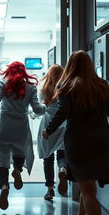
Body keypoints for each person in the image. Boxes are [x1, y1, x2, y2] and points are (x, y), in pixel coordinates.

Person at [42, 50, 109, 215]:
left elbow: (63, 112)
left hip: (78, 141)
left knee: (86, 187)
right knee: (89, 185)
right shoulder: (101, 85)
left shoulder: (65, 86)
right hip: (101, 140)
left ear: (70, 66)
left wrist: (49, 130)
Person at [0, 61, 46, 210]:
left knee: (1, 159)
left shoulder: (3, 84)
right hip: (20, 126)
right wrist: (46, 106)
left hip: (3, 124)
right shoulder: (31, 87)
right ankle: (17, 170)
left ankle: (4, 186)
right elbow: (37, 109)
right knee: (20, 150)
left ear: (9, 71)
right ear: (23, 72)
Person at [30, 64, 67, 200]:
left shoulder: (44, 89)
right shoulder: (66, 88)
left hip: (48, 125)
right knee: (62, 153)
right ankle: (63, 169)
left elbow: (40, 108)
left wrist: (32, 116)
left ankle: (50, 189)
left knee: (48, 157)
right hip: (63, 124)